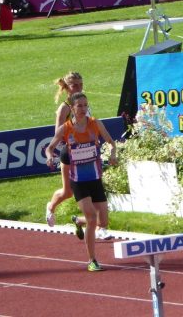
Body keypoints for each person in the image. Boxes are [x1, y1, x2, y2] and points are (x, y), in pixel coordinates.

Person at [45, 92, 118, 272]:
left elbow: (111, 142)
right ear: (72, 108)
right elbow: (50, 147)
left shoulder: (95, 124)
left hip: (95, 178)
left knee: (102, 221)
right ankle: (92, 260)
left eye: (85, 105)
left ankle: (78, 221)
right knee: (92, 218)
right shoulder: (66, 128)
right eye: (79, 106)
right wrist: (49, 157)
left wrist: (113, 153)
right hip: (79, 181)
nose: (83, 109)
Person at [46, 72, 112, 241]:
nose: (79, 87)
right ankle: (51, 207)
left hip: (88, 154)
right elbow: (58, 133)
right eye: (75, 85)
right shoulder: (64, 108)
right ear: (67, 88)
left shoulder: (82, 102)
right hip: (70, 154)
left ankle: (86, 222)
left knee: (93, 193)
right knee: (68, 192)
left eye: (81, 84)